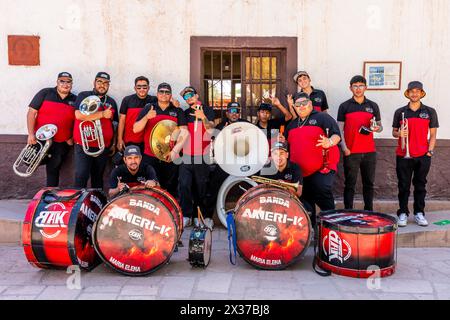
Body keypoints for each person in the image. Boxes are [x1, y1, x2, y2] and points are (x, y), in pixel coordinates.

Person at [284, 92, 341, 228]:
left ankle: (331, 228)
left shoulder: (323, 118)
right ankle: (312, 230)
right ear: (294, 107)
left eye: (304, 103)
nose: (301, 106)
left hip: (323, 167)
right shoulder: (291, 125)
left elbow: (337, 135)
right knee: (306, 202)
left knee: (322, 191)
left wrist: (330, 142)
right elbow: (286, 145)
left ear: (310, 104)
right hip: (301, 173)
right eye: (298, 104)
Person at [392, 81, 439, 227]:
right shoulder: (400, 111)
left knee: (420, 185)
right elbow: (394, 132)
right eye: (412, 91)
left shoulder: (430, 111)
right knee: (403, 185)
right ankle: (403, 213)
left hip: (422, 155)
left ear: (422, 93)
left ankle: (419, 213)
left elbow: (432, 135)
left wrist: (429, 151)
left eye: (417, 91)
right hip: (403, 154)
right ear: (407, 93)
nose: (414, 93)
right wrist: (399, 132)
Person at [337, 75, 383, 211]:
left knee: (369, 183)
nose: (358, 88)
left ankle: (369, 210)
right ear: (350, 88)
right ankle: (348, 211)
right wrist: (344, 148)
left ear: (365, 87)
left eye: (361, 85)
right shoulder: (344, 106)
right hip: (351, 152)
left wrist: (377, 128)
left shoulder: (373, 106)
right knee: (350, 184)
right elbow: (339, 130)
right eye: (355, 86)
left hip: (369, 152)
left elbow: (380, 127)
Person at [133, 82, 187, 196]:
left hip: (170, 157)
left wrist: (174, 152)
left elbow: (184, 133)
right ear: (157, 94)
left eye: (167, 92)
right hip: (150, 156)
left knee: (170, 189)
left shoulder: (178, 110)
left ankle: (169, 213)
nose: (164, 94)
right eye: (161, 91)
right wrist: (147, 117)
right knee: (150, 188)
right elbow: (136, 129)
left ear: (171, 95)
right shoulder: (149, 107)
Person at [26, 72, 77, 186]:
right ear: (57, 82)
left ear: (72, 84)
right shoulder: (45, 93)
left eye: (68, 81)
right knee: (30, 163)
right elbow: (31, 113)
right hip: (41, 139)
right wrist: (30, 134)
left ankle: (50, 195)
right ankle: (45, 196)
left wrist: (71, 137)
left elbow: (77, 121)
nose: (65, 84)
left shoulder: (75, 99)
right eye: (62, 81)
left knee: (53, 169)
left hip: (61, 142)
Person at [178, 86, 215, 228]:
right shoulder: (184, 112)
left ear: (197, 95)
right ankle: (187, 215)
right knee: (184, 184)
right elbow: (183, 132)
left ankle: (199, 216)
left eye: (191, 95)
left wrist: (203, 117)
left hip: (202, 154)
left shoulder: (208, 110)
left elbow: (211, 130)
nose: (189, 98)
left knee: (202, 187)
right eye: (186, 97)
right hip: (186, 155)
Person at [73, 72, 118, 189]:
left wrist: (113, 143)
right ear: (94, 82)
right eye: (99, 82)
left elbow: (115, 124)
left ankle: (97, 203)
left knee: (98, 176)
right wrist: (102, 114)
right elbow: (78, 115)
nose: (102, 85)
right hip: (84, 144)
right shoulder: (84, 95)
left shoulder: (112, 102)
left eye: (106, 83)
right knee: (81, 175)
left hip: (103, 146)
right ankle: (78, 202)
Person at [116, 76, 157, 153]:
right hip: (129, 141)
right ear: (135, 88)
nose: (142, 89)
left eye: (144, 87)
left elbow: (165, 102)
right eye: (139, 87)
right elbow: (121, 120)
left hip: (147, 142)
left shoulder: (154, 100)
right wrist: (119, 139)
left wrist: (174, 102)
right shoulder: (127, 100)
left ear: (148, 88)